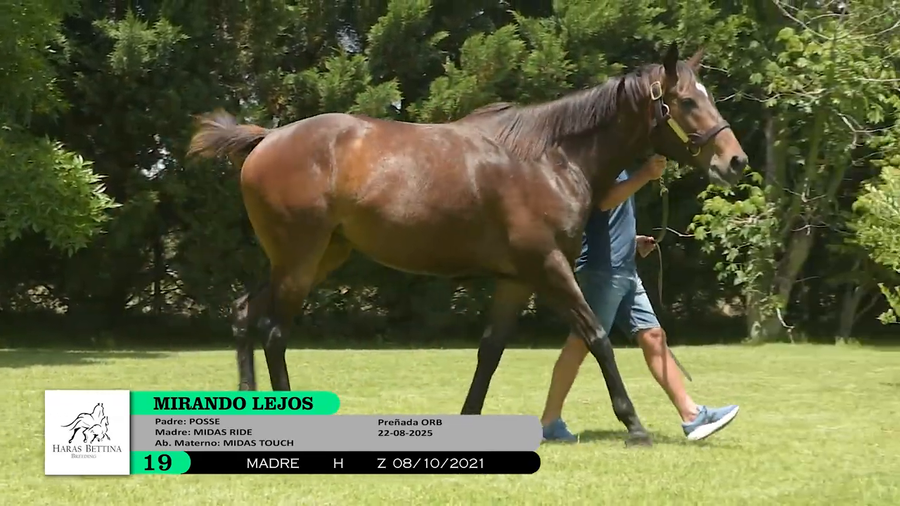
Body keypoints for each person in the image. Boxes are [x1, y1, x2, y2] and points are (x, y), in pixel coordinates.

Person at [540, 154, 740, 442]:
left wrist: (632, 241)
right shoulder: (602, 162)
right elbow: (602, 203)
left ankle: (692, 416)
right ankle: (548, 422)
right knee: (581, 342)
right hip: (602, 270)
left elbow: (608, 220)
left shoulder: (620, 164)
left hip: (624, 268)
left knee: (654, 336)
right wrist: (645, 174)